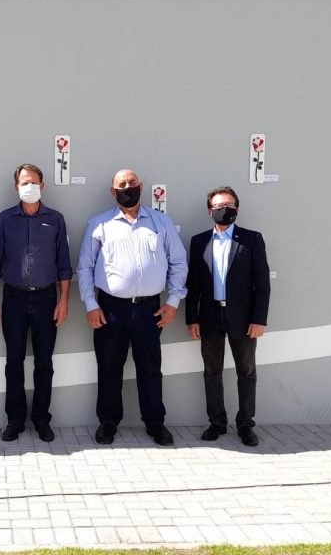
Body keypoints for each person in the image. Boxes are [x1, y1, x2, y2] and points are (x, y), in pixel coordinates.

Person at [77, 169, 187, 446]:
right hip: (110, 309)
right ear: (112, 192)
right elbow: (85, 267)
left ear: (142, 186)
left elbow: (178, 264)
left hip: (150, 309)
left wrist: (173, 302)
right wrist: (91, 305)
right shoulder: (99, 224)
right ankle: (108, 423)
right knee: (109, 368)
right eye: (122, 185)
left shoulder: (162, 223)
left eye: (132, 184)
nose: (128, 188)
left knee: (150, 368)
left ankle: (155, 424)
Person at [0, 164, 73, 443]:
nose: (29, 187)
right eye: (24, 183)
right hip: (13, 298)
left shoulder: (56, 219)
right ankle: (15, 420)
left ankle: (41, 420)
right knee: (14, 362)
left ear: (42, 186)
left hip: (47, 299)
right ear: (17, 187)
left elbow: (64, 266)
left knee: (44, 363)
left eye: (34, 182)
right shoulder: (4, 220)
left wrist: (64, 302)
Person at [185, 186, 270, 447]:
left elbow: (262, 284)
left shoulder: (252, 239)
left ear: (237, 208)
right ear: (210, 211)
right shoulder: (199, 241)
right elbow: (194, 284)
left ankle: (246, 425)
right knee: (212, 372)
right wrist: (192, 318)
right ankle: (217, 423)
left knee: (246, 372)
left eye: (230, 205)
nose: (225, 210)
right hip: (210, 315)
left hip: (243, 318)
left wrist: (259, 319)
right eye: (220, 206)